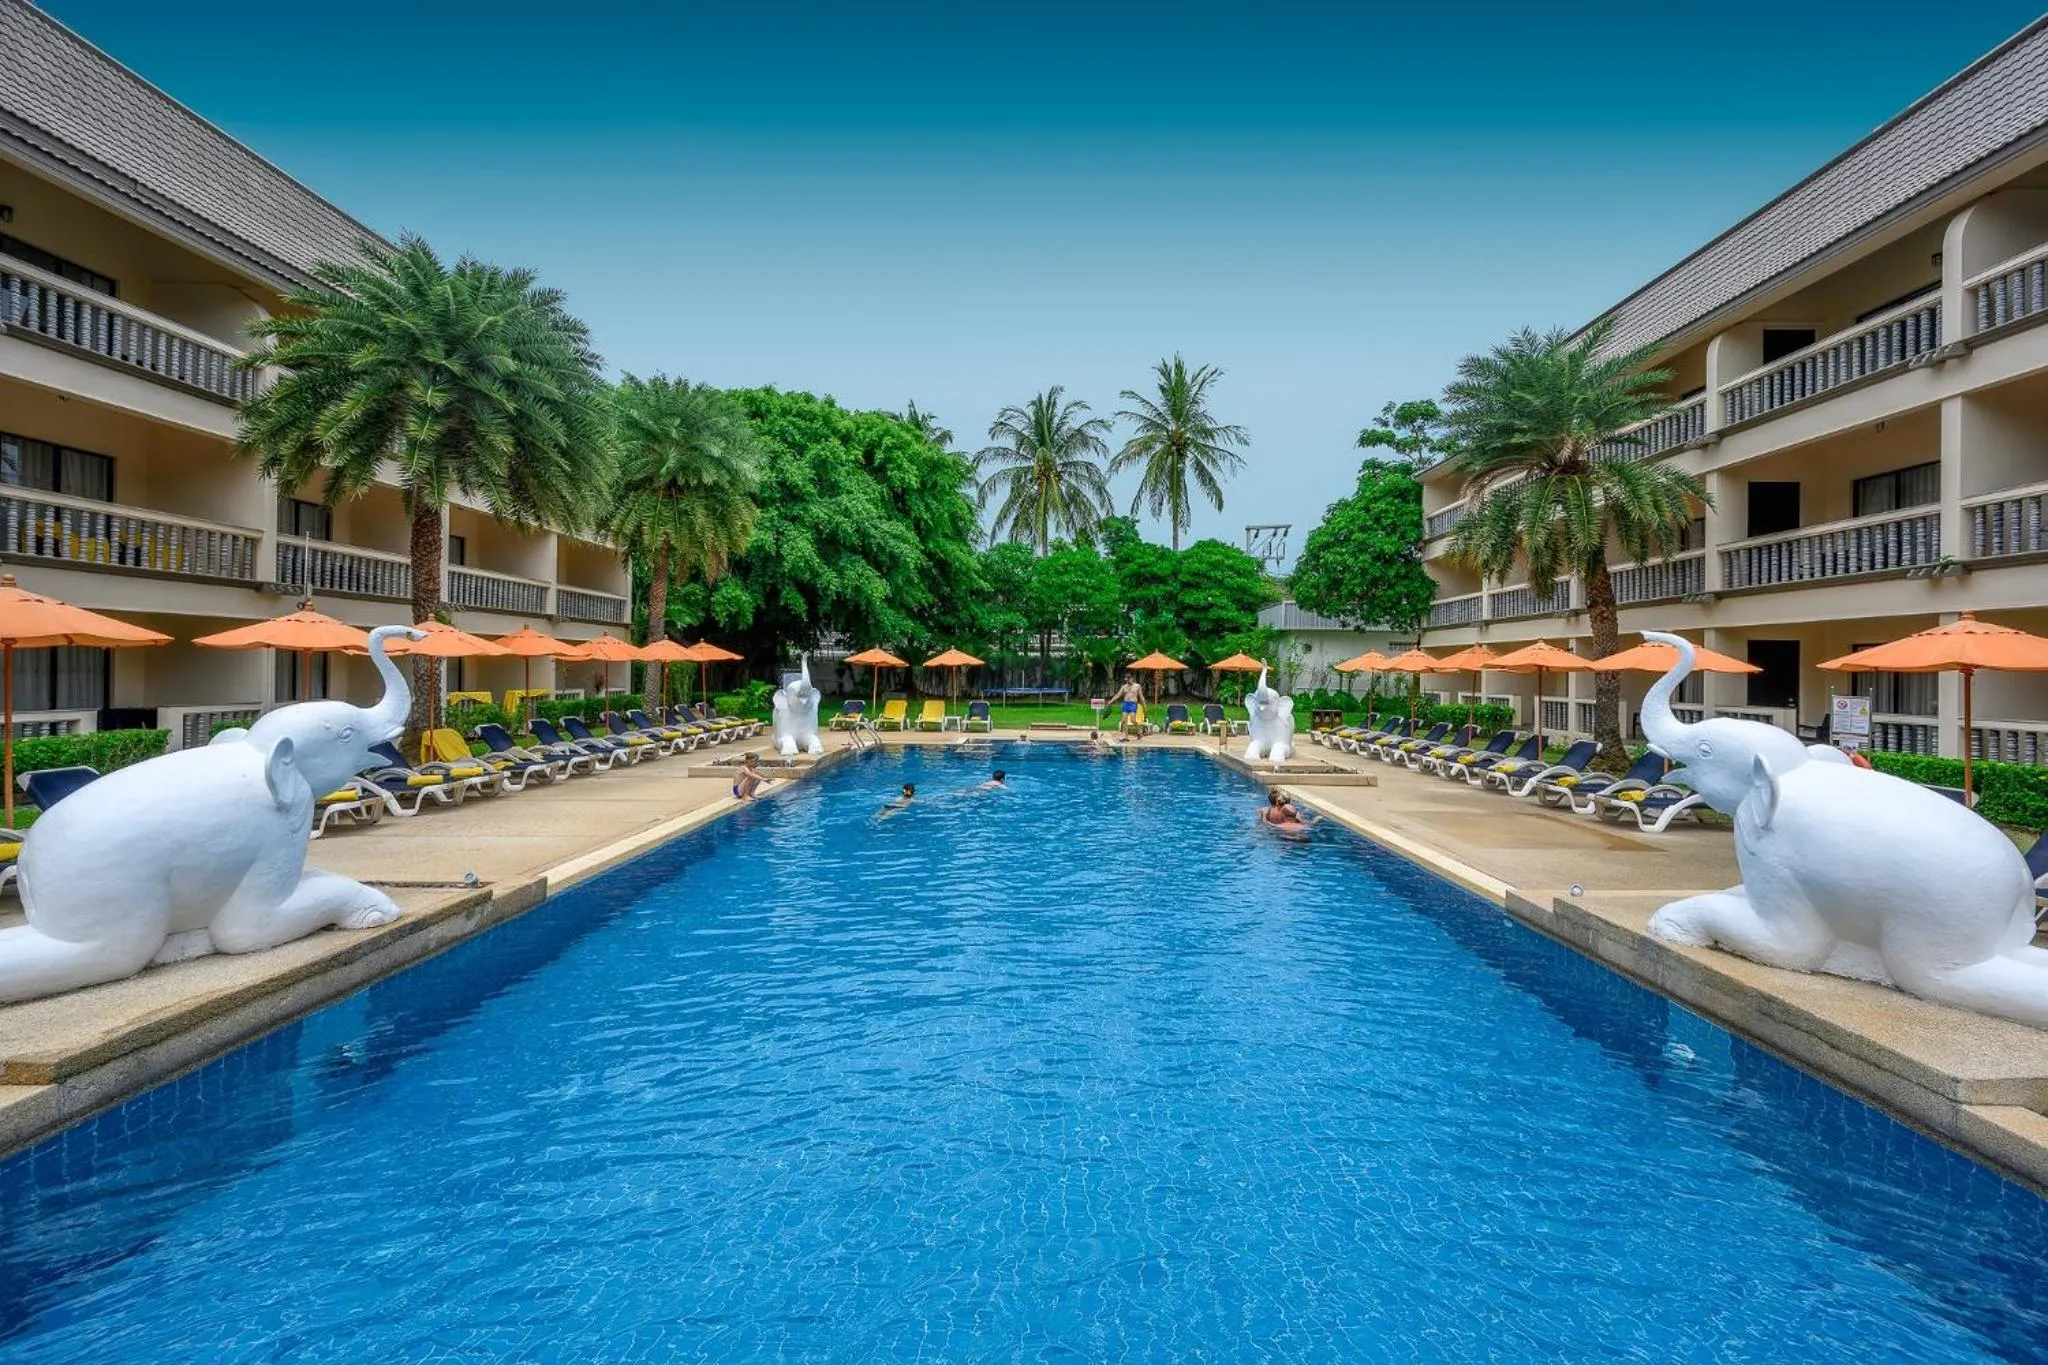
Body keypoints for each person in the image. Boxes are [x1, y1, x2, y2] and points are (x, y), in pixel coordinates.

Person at [1112, 675, 1145, 739]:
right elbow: (1118, 695)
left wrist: (1144, 705)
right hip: (1126, 704)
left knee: (1133, 720)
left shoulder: (1137, 686)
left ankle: (1139, 731)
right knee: (1124, 721)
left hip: (1133, 704)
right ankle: (1126, 737)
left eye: (1128, 679)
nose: (1127, 681)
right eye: (1126, 680)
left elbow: (1141, 696)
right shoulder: (1124, 687)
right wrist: (1111, 701)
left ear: (1132, 679)